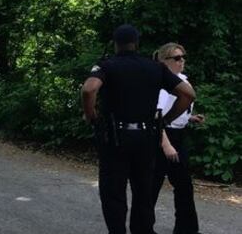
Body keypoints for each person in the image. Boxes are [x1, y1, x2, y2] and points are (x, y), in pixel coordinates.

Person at [82, 24, 196, 234]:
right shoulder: (154, 67)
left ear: (115, 44)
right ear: (137, 43)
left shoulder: (107, 65)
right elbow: (187, 94)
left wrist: (92, 117)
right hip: (146, 138)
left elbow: (89, 89)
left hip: (115, 138)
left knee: (113, 192)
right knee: (143, 191)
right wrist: (164, 120)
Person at [152, 43, 204, 234]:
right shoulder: (164, 85)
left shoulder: (179, 80)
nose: (182, 61)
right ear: (164, 61)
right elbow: (157, 115)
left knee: (183, 186)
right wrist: (166, 144)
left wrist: (189, 117)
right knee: (153, 185)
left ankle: (186, 229)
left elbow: (172, 111)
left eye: (183, 57)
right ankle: (143, 226)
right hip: (163, 138)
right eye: (177, 58)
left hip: (177, 136)